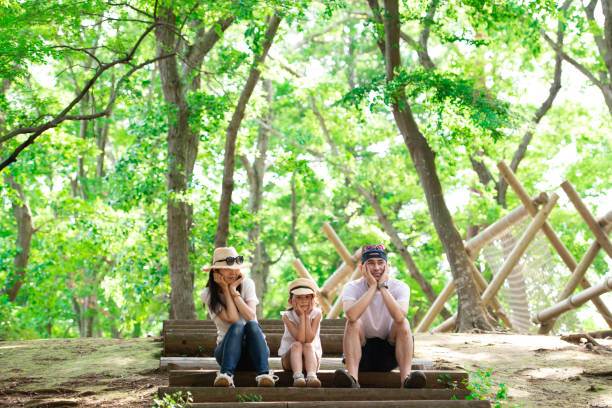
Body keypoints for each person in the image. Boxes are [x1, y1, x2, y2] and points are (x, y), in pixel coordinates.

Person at [333, 244, 426, 389]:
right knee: (353, 323)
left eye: (380, 263)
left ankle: (406, 380)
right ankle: (352, 379)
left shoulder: (400, 286)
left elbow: (400, 316)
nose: (376, 268)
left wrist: (382, 286)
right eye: (370, 263)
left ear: (387, 266)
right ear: (362, 268)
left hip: (390, 354)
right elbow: (351, 315)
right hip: (361, 355)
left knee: (403, 323)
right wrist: (371, 288)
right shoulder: (351, 287)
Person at [201, 246, 277, 387]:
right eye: (228, 269)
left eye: (236, 268)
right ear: (216, 272)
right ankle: (225, 376)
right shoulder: (208, 294)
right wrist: (225, 289)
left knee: (252, 325)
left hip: (254, 353)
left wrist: (233, 291)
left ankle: (264, 375)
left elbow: (250, 315)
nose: (234, 272)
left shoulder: (247, 284)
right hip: (226, 353)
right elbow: (235, 320)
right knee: (237, 326)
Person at [278, 278, 323, 387]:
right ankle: (298, 377)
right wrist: (302, 316)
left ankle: (312, 376)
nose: (303, 301)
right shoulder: (287, 316)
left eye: (307, 297)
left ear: (313, 299)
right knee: (297, 345)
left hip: (311, 359)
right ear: (290, 301)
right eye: (299, 297)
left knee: (308, 346)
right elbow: (300, 339)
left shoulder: (316, 314)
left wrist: (306, 316)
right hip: (289, 360)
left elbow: (309, 339)